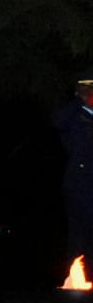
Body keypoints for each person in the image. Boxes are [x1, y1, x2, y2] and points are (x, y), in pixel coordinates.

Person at [54, 69, 93, 276]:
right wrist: (80, 100)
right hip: (80, 184)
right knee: (79, 237)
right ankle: (77, 283)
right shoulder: (74, 116)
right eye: (86, 90)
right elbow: (57, 121)